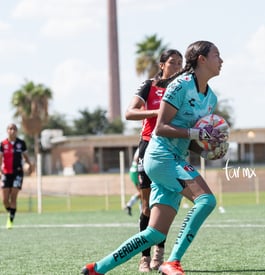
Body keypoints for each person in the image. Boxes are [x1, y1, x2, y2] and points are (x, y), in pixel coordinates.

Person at [81, 40, 228, 275]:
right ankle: (172, 262)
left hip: (175, 158)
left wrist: (208, 151)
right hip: (161, 156)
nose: (221, 60)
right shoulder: (180, 85)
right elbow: (160, 127)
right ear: (201, 59)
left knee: (155, 233)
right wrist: (196, 133)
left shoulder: (211, 99)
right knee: (206, 201)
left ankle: (97, 268)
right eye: (217, 55)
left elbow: (192, 139)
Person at [124, 49, 183, 272]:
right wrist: (157, 112)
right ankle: (144, 257)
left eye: (180, 63)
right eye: (172, 62)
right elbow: (129, 113)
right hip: (149, 145)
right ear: (162, 65)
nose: (176, 66)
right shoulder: (149, 85)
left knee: (164, 204)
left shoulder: (182, 89)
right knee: (147, 205)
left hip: (172, 148)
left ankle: (160, 252)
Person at [0, 123, 32, 229]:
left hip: (17, 173)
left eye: (14, 129)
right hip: (5, 173)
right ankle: (11, 212)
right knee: (4, 200)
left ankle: (10, 221)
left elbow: (26, 158)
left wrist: (28, 165)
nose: (12, 131)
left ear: (16, 131)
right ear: (7, 131)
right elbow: (0, 159)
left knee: (13, 196)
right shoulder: (3, 144)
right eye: (10, 129)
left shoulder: (21, 143)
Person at [124, 147, 141, 217]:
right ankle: (129, 205)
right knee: (143, 193)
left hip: (135, 171)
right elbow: (136, 159)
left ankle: (129, 205)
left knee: (143, 193)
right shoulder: (143, 145)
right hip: (136, 171)